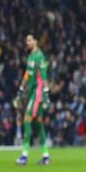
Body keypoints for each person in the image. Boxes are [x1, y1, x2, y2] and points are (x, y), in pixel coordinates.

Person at [14, 34, 51, 165]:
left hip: (37, 94)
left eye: (29, 40)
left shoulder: (39, 56)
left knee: (26, 121)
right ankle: (45, 156)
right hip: (31, 93)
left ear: (35, 41)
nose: (27, 42)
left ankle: (24, 156)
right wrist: (21, 89)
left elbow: (44, 76)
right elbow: (27, 75)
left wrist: (46, 94)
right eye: (26, 40)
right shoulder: (30, 56)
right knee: (39, 125)